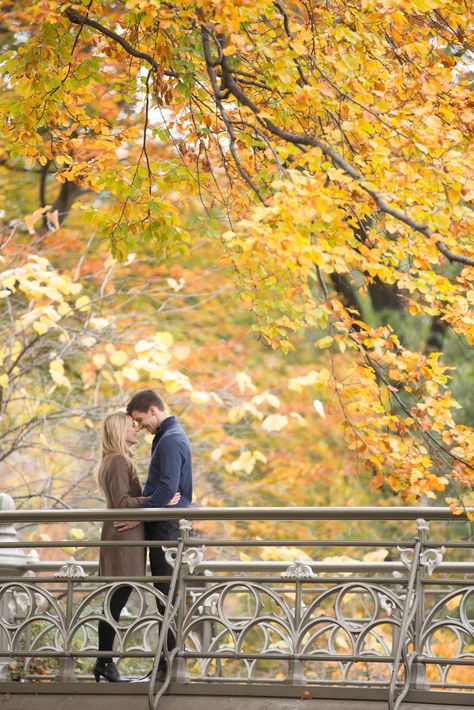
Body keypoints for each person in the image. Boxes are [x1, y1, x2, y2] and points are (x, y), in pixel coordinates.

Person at [93, 410, 180, 683]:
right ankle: (104, 661)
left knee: (116, 597)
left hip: (124, 538)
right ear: (120, 431)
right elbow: (121, 504)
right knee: (117, 597)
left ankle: (104, 661)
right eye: (132, 426)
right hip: (124, 539)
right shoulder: (118, 460)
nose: (137, 430)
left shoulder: (114, 459)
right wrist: (157, 501)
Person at [115, 389, 192, 679]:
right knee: (164, 596)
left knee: (166, 597)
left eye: (139, 419)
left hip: (167, 528)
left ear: (152, 410)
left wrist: (136, 517)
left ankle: (166, 669)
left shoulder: (171, 440)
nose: (139, 427)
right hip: (163, 524)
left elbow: (168, 489)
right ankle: (164, 666)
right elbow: (162, 491)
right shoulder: (166, 438)